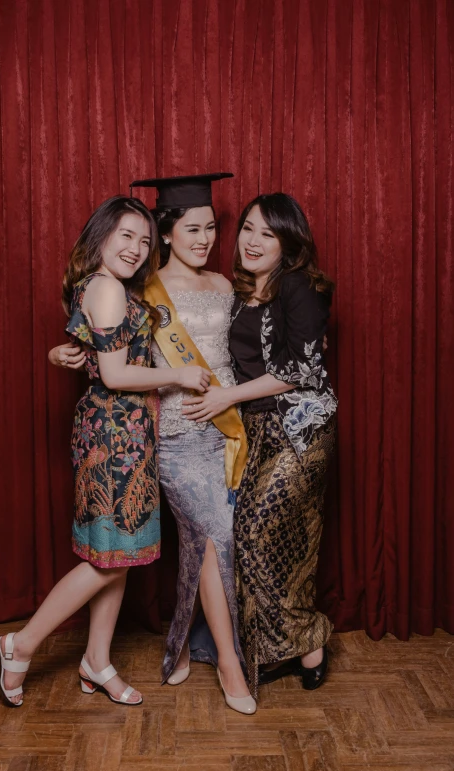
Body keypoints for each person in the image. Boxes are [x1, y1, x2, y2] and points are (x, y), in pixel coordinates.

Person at [0, 196, 210, 708]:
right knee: (106, 560)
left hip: (126, 431)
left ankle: (97, 660)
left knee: (119, 556)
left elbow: (92, 355)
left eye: (145, 240)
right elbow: (114, 374)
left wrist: (61, 352)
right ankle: (19, 646)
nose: (136, 248)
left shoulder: (110, 287)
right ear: (102, 236)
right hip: (112, 437)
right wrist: (177, 375)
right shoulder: (108, 287)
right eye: (126, 236)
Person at [51, 174, 256, 715]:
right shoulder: (138, 287)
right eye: (193, 227)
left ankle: (185, 644)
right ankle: (230, 663)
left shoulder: (226, 283)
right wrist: (61, 351)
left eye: (213, 227)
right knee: (213, 533)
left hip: (223, 429)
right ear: (166, 232)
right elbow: (94, 331)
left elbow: (244, 350)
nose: (206, 237)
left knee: (207, 537)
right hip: (164, 436)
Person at [183, 193, 337, 699]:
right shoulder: (242, 289)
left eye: (268, 234)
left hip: (301, 430)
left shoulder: (300, 287)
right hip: (256, 432)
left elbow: (303, 369)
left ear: (288, 242)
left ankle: (309, 639)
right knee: (275, 543)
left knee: (253, 531)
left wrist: (228, 395)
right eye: (248, 228)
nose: (252, 241)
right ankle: (287, 645)